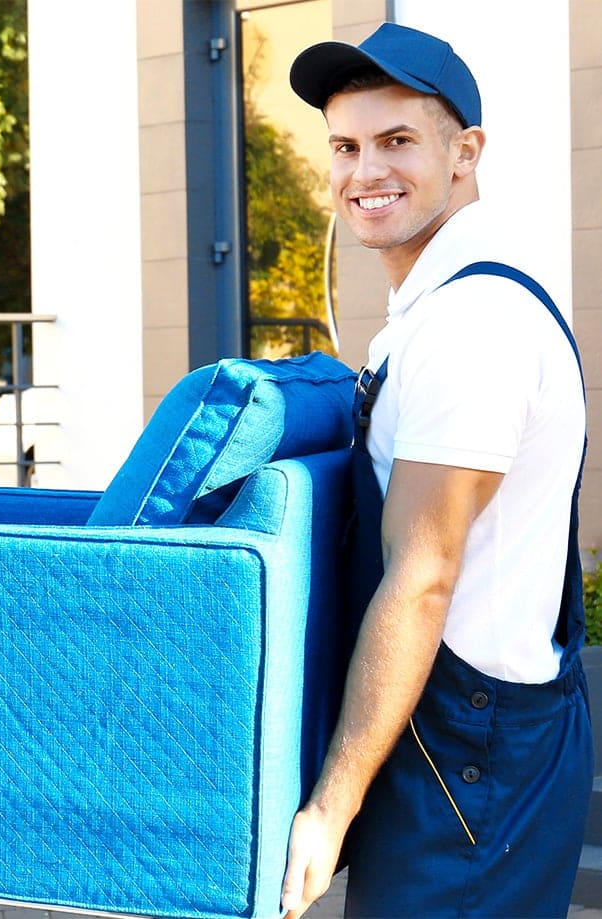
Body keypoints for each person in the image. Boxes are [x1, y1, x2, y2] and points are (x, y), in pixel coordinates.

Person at [279, 23, 590, 919]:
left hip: (471, 754)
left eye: (397, 140)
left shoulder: (471, 324)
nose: (362, 171)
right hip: (463, 739)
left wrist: (328, 811)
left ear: (466, 153)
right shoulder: (435, 309)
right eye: (345, 145)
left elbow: (422, 577)